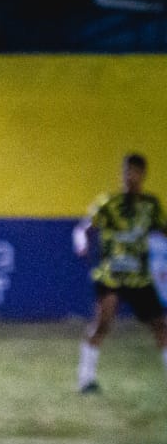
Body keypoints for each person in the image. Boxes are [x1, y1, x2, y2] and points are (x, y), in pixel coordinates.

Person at [72, 152, 167, 393]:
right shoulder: (108, 204)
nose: (129, 177)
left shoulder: (150, 206)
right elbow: (83, 228)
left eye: (134, 172)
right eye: (126, 171)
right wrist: (82, 242)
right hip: (111, 275)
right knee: (103, 324)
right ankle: (86, 379)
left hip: (139, 278)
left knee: (160, 326)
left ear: (143, 175)